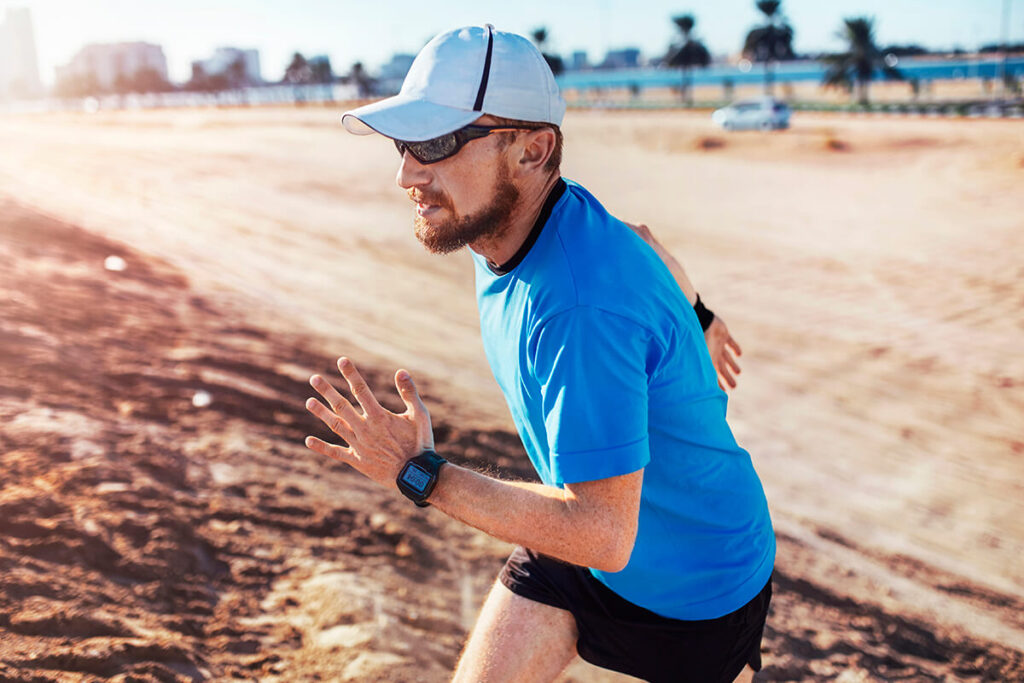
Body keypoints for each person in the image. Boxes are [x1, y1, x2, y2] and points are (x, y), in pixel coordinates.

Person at [303, 25, 774, 683]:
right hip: (588, 533)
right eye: (405, 142)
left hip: (695, 590)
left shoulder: (578, 306)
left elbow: (603, 535)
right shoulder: (522, 222)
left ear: (532, 149)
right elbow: (639, 236)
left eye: (436, 144)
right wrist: (700, 314)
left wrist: (419, 472)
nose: (407, 172)